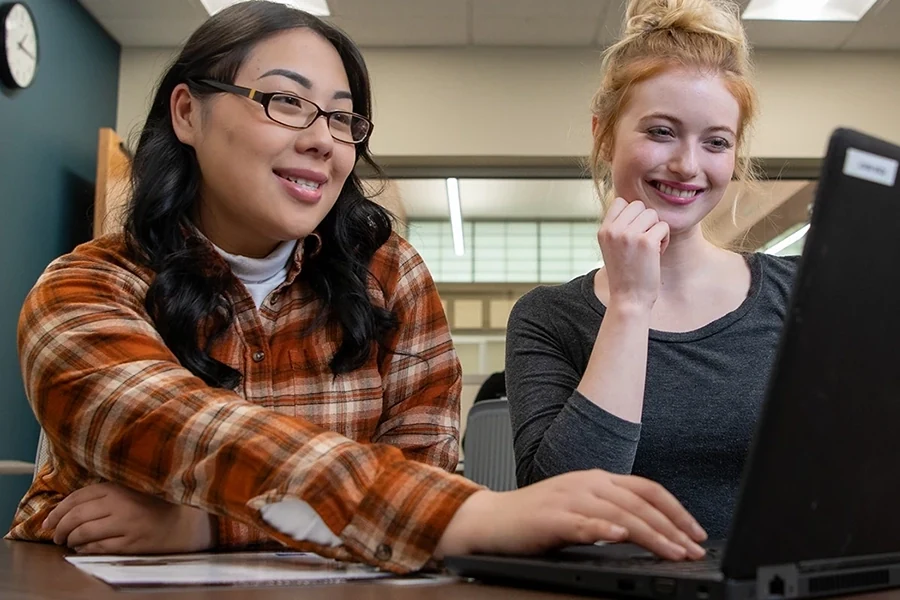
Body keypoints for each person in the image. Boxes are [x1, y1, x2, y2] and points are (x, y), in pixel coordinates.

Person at [7, 1, 707, 573]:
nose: (325, 140)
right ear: (188, 113)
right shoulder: (82, 293)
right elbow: (192, 433)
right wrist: (471, 515)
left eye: (343, 117)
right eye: (285, 101)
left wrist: (210, 525)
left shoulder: (389, 277)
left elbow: (422, 469)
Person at [505, 0, 799, 542]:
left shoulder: (798, 294)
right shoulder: (547, 317)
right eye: (662, 132)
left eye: (715, 142)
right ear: (605, 134)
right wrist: (630, 305)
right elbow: (565, 513)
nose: (688, 165)